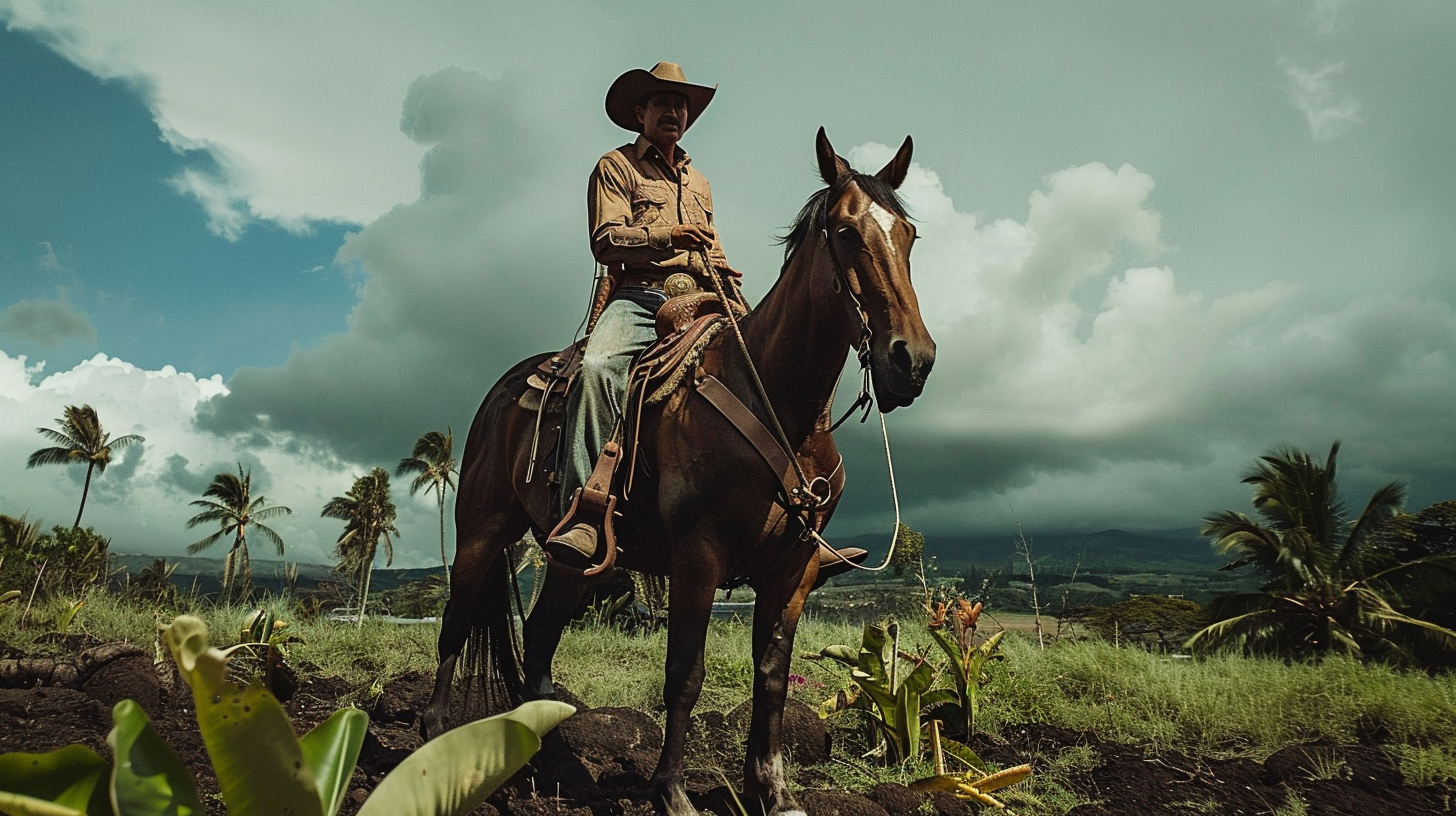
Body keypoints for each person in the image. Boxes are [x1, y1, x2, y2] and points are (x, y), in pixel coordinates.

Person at [547, 62, 866, 583]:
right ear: (640, 113)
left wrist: (719, 266)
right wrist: (669, 237)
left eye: (682, 105)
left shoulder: (699, 181)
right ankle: (585, 509)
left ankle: (803, 527)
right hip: (639, 296)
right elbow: (605, 238)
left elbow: (710, 242)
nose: (673, 112)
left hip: (702, 296)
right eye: (661, 103)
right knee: (600, 368)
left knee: (771, 367)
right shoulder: (616, 167)